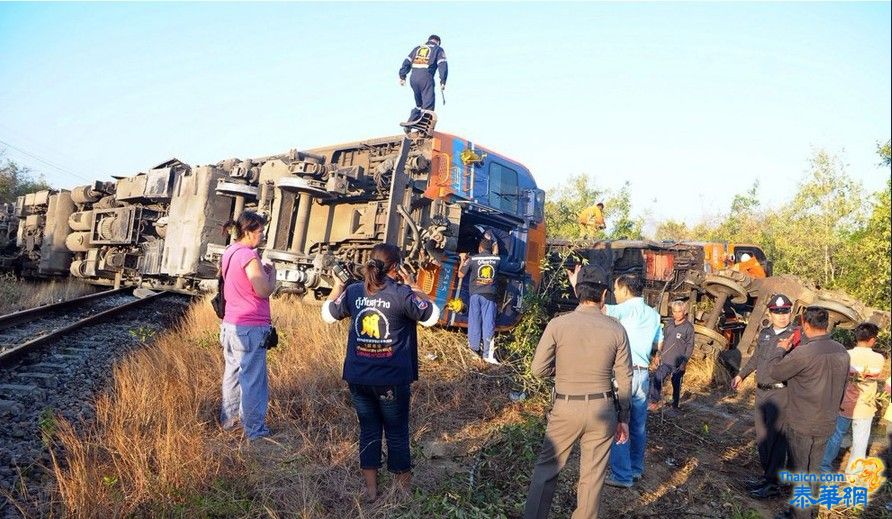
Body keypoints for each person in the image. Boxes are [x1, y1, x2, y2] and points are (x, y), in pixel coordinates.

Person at [321, 243, 440, 502]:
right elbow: (432, 316)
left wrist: (337, 285)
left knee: (369, 430)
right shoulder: (402, 294)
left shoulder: (354, 291)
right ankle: (403, 493)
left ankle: (371, 491)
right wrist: (417, 288)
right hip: (391, 380)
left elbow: (328, 315)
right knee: (396, 431)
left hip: (359, 378)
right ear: (396, 268)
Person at [524, 264, 632, 519]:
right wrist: (624, 419)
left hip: (565, 407)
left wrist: (563, 373)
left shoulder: (558, 325)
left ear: (577, 293)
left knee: (546, 470)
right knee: (592, 478)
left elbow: (538, 369)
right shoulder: (616, 329)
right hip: (602, 410)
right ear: (605, 295)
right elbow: (625, 378)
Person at [766, 307, 849, 519]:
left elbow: (775, 372)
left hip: (802, 422)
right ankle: (807, 511)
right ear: (826, 324)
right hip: (827, 421)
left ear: (805, 324)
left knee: (800, 470)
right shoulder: (841, 350)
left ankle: (799, 516)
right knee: (813, 470)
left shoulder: (804, 353)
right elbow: (843, 385)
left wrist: (780, 349)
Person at [219, 211, 276, 440]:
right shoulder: (249, 256)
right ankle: (255, 430)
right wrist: (272, 276)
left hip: (231, 324)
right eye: (260, 231)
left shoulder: (230, 252)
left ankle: (230, 421)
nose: (262, 235)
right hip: (250, 327)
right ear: (249, 231)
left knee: (232, 374)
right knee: (253, 380)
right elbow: (262, 290)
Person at [731, 293, 795, 499]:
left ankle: (773, 484)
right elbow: (756, 358)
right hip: (761, 391)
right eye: (777, 312)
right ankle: (767, 477)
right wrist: (741, 374)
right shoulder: (766, 333)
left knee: (777, 440)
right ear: (770, 313)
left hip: (781, 393)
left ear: (790, 312)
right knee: (762, 438)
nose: (782, 316)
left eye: (785, 311)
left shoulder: (796, 336)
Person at [603, 274, 663, 489]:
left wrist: (576, 286)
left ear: (626, 290)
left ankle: (622, 476)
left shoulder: (625, 309)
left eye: (616, 290)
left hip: (624, 374)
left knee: (620, 422)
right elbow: (658, 343)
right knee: (638, 425)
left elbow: (594, 307)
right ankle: (636, 469)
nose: (615, 294)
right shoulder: (653, 314)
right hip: (643, 374)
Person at [820, 322, 885, 473]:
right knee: (860, 441)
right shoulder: (879, 359)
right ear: (872, 340)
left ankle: (825, 466)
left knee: (835, 437)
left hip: (844, 403)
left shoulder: (846, 355)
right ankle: (854, 472)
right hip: (866, 406)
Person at [458, 236, 500, 364]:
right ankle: (488, 354)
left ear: (480, 248)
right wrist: (495, 242)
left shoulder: (473, 259)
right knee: (489, 324)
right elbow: (496, 253)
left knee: (474, 322)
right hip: (489, 296)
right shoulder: (496, 259)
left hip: (475, 295)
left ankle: (474, 350)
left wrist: (462, 259)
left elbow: (460, 274)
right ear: (490, 248)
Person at [648, 300, 694, 411]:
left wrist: (684, 362)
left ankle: (675, 404)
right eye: (674, 311)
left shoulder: (688, 327)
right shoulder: (669, 324)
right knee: (658, 378)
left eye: (679, 312)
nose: (676, 314)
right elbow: (662, 339)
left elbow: (690, 346)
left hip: (678, 362)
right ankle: (654, 401)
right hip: (665, 359)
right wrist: (658, 354)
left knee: (676, 383)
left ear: (684, 312)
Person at [398, 34, 448, 126]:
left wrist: (402, 76)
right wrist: (443, 81)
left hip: (413, 79)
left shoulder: (417, 48)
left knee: (419, 105)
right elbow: (442, 64)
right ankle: (424, 127)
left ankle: (410, 123)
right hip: (426, 77)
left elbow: (407, 62)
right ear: (438, 42)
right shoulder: (438, 49)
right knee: (428, 104)